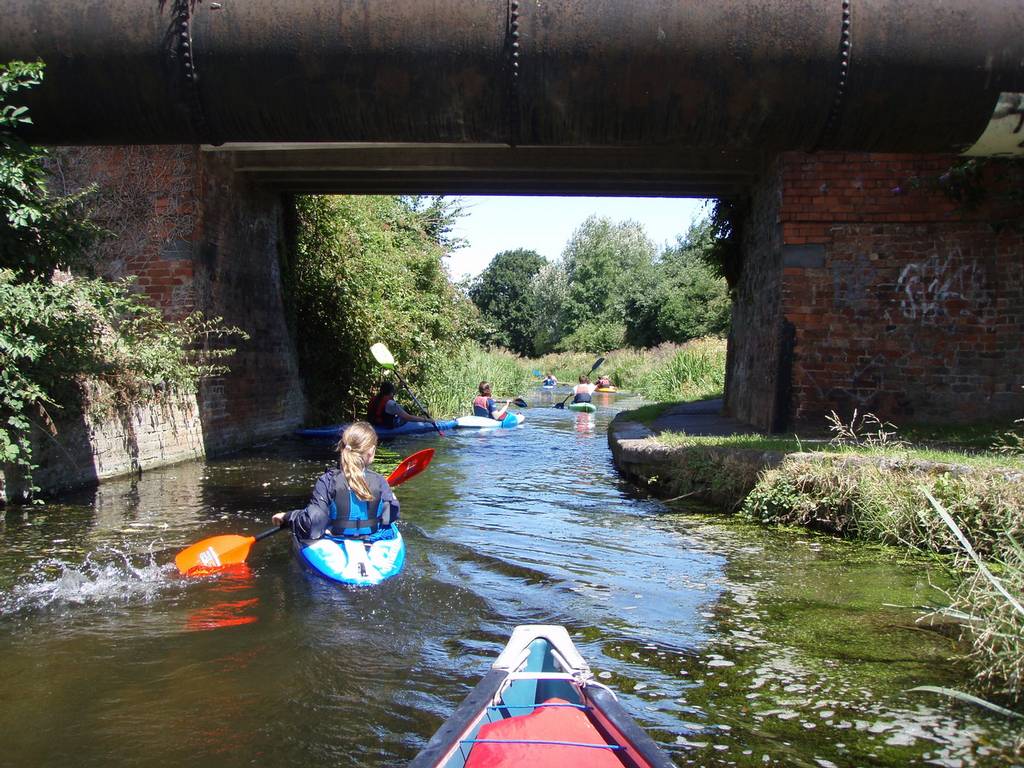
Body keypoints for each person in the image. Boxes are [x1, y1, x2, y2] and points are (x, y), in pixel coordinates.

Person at [272, 422, 399, 540]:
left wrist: (288, 516)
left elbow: (314, 521)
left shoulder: (327, 481)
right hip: (372, 540)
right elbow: (390, 515)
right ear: (371, 451)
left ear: (342, 447)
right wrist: (390, 500)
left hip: (335, 539)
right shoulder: (380, 481)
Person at [367, 381, 432, 429]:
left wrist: (399, 386)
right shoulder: (391, 404)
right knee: (406, 411)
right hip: (386, 424)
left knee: (400, 410)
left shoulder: (375, 398)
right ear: (391, 392)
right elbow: (408, 417)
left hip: (374, 422)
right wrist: (426, 420)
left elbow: (390, 395)